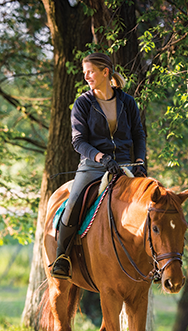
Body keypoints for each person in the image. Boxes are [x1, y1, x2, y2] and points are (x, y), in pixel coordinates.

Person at [51, 52, 147, 279]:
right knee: (73, 202)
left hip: (126, 164)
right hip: (93, 165)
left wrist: (140, 161)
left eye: (90, 72)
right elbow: (78, 141)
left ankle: (151, 260)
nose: (87, 77)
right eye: (85, 73)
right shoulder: (82, 103)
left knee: (151, 203)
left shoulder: (128, 102)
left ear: (105, 72)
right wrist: (101, 158)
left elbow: (138, 135)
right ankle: (62, 257)